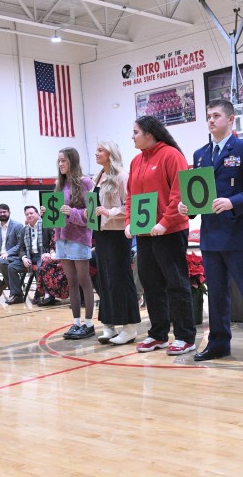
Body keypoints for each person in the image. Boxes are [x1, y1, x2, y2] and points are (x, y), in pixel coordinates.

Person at [179, 99, 243, 366]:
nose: (211, 120)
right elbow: (198, 195)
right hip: (211, 236)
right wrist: (188, 208)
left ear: (231, 119)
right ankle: (218, 343)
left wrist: (233, 202)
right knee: (217, 295)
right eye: (208, 116)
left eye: (216, 115)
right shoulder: (200, 154)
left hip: (239, 234)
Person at [125, 115, 196, 355]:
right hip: (144, 233)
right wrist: (128, 222)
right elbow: (130, 197)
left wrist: (165, 222)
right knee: (150, 284)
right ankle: (158, 334)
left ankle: (185, 337)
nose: (132, 137)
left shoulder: (172, 155)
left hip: (171, 231)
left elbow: (179, 193)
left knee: (176, 284)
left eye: (135, 132)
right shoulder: (136, 161)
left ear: (149, 133)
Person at [92, 141, 141, 345]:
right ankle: (109, 324)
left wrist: (109, 211)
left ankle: (129, 327)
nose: (96, 153)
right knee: (104, 280)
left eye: (100, 150)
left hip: (118, 234)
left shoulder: (122, 176)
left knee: (120, 279)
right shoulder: (97, 177)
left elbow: (129, 205)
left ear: (111, 153)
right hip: (101, 233)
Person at [55, 147, 96, 340]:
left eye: (63, 160)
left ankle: (89, 324)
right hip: (61, 238)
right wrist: (48, 213)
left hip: (79, 238)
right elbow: (57, 213)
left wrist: (72, 213)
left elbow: (91, 215)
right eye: (59, 161)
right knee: (71, 282)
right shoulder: (59, 184)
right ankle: (76, 322)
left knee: (83, 280)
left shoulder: (86, 182)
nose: (60, 164)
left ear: (73, 161)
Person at [18, 205, 45, 304]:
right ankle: (17, 294)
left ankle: (40, 294)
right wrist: (24, 258)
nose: (29, 215)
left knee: (39, 268)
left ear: (37, 214)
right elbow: (21, 248)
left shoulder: (45, 225)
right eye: (27, 214)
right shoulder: (24, 230)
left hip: (43, 254)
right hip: (30, 256)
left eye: (31, 213)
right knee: (11, 267)